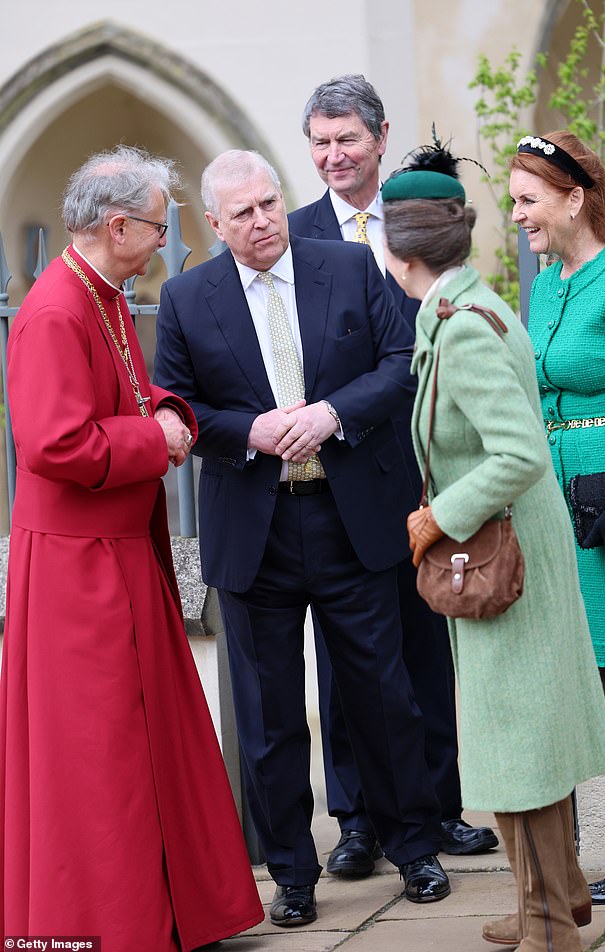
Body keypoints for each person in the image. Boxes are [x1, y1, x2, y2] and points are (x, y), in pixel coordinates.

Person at [154, 148, 452, 928]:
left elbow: (401, 363)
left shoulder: (348, 267)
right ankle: (291, 873)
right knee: (270, 716)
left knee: (382, 695)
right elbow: (176, 406)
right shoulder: (186, 298)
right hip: (256, 530)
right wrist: (247, 431)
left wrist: (332, 414)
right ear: (214, 224)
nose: (263, 221)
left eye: (269, 203)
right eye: (243, 213)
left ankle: (414, 849)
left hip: (350, 517)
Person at [0, 146, 263, 951]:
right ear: (116, 227)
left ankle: (171, 913)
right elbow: (54, 442)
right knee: (100, 750)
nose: (165, 242)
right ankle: (109, 925)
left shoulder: (104, 293)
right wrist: (158, 439)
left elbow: (123, 390)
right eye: (156, 226)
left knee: (149, 737)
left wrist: (167, 410)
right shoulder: (55, 311)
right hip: (76, 568)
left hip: (115, 548)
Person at [382, 141, 605, 952]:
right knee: (513, 735)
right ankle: (550, 896)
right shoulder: (460, 308)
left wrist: (436, 516)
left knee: (520, 741)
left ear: (398, 252)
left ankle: (550, 923)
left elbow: (518, 454)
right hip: (503, 551)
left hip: (503, 558)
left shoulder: (465, 329)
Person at [289, 73, 497, 878]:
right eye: (320, 142)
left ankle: (440, 808)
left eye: (347, 139)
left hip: (421, 466)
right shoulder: (293, 235)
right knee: (345, 660)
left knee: (425, 641)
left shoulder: (419, 221)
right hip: (338, 477)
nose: (333, 155)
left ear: (380, 138)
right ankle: (356, 823)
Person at [510, 130, 605, 908]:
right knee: (601, 676)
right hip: (560, 500)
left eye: (528, 201)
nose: (518, 216)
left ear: (574, 198)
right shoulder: (549, 283)